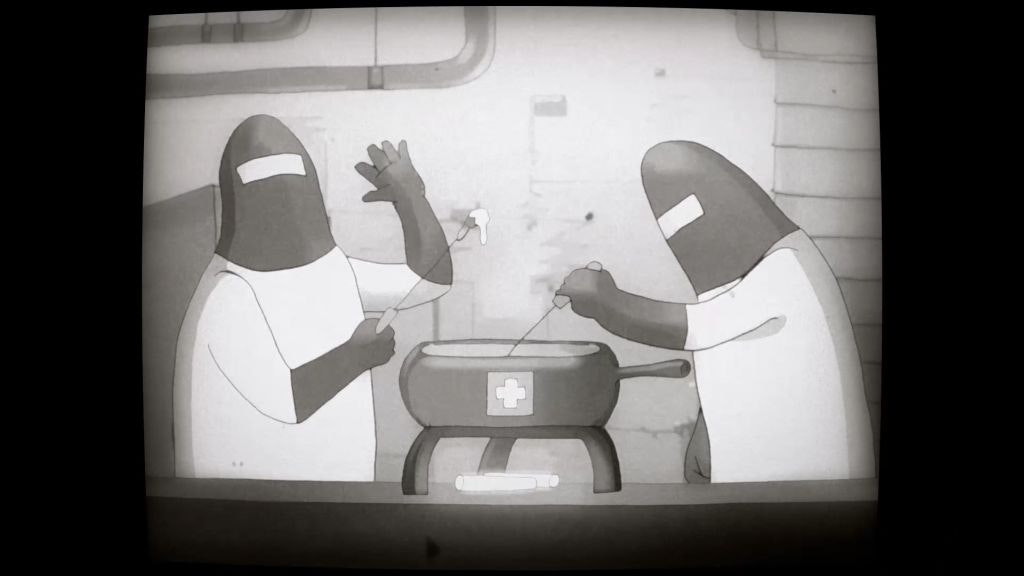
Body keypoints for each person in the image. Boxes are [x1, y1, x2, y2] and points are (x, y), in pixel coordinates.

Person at [555, 141, 875, 483]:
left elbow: (696, 328)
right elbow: (736, 357)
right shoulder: (735, 286)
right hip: (755, 490)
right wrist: (708, 428)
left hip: (817, 491)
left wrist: (608, 304)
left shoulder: (788, 268)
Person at [173, 115, 452, 481]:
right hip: (248, 505)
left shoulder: (329, 270)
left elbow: (430, 280)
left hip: (344, 498)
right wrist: (355, 357)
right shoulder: (227, 293)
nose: (284, 202)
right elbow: (285, 401)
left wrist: (411, 198)